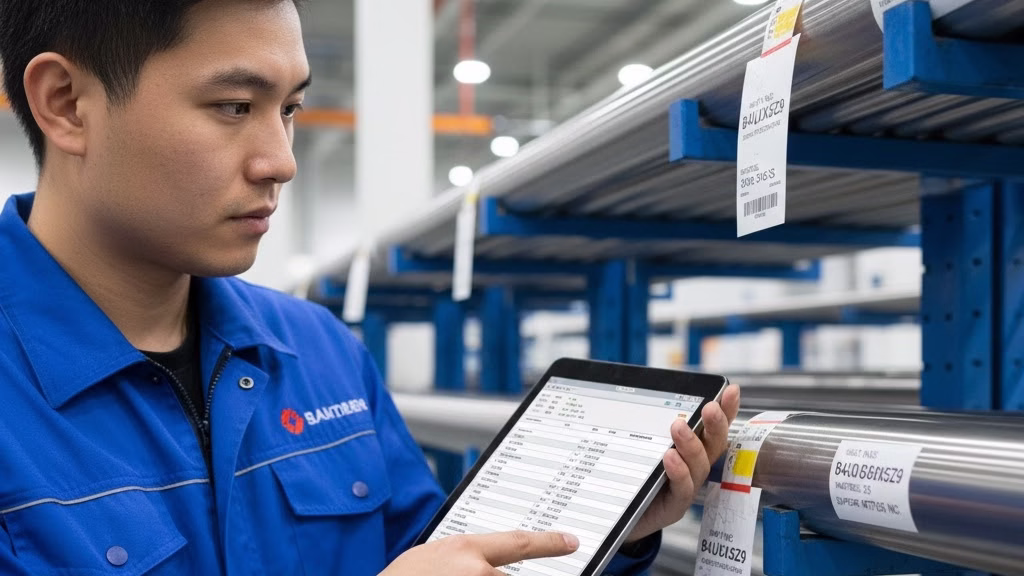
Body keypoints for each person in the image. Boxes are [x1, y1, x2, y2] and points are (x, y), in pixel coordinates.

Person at [0, 1, 742, 574]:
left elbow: (428, 552)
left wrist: (597, 534)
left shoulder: (316, 350)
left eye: (288, 108)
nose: (280, 160)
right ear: (66, 103)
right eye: (234, 106)